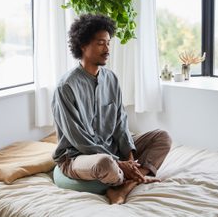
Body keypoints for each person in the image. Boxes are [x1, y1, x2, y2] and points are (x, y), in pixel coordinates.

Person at [52, 14, 172, 204]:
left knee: (162, 137)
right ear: (83, 45)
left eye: (108, 43)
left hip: (112, 148)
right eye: (101, 43)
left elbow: (120, 123)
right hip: (78, 156)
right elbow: (79, 140)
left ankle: (127, 183)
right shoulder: (66, 87)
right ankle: (129, 177)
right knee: (105, 164)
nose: (107, 49)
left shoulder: (111, 78)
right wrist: (117, 162)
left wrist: (130, 159)